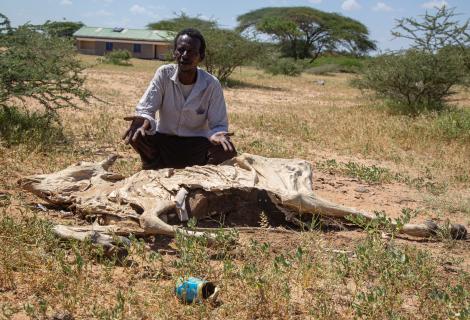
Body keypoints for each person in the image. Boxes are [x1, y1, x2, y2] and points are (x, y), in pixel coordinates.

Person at [122, 28, 236, 170]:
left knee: (226, 150)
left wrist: (218, 134)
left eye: (192, 51)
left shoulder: (211, 84)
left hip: (196, 146)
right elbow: (147, 108)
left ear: (201, 56)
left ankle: (203, 175)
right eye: (181, 50)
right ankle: (153, 166)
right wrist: (143, 118)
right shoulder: (164, 74)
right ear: (174, 52)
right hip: (164, 141)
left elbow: (218, 124)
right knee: (137, 132)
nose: (185, 55)